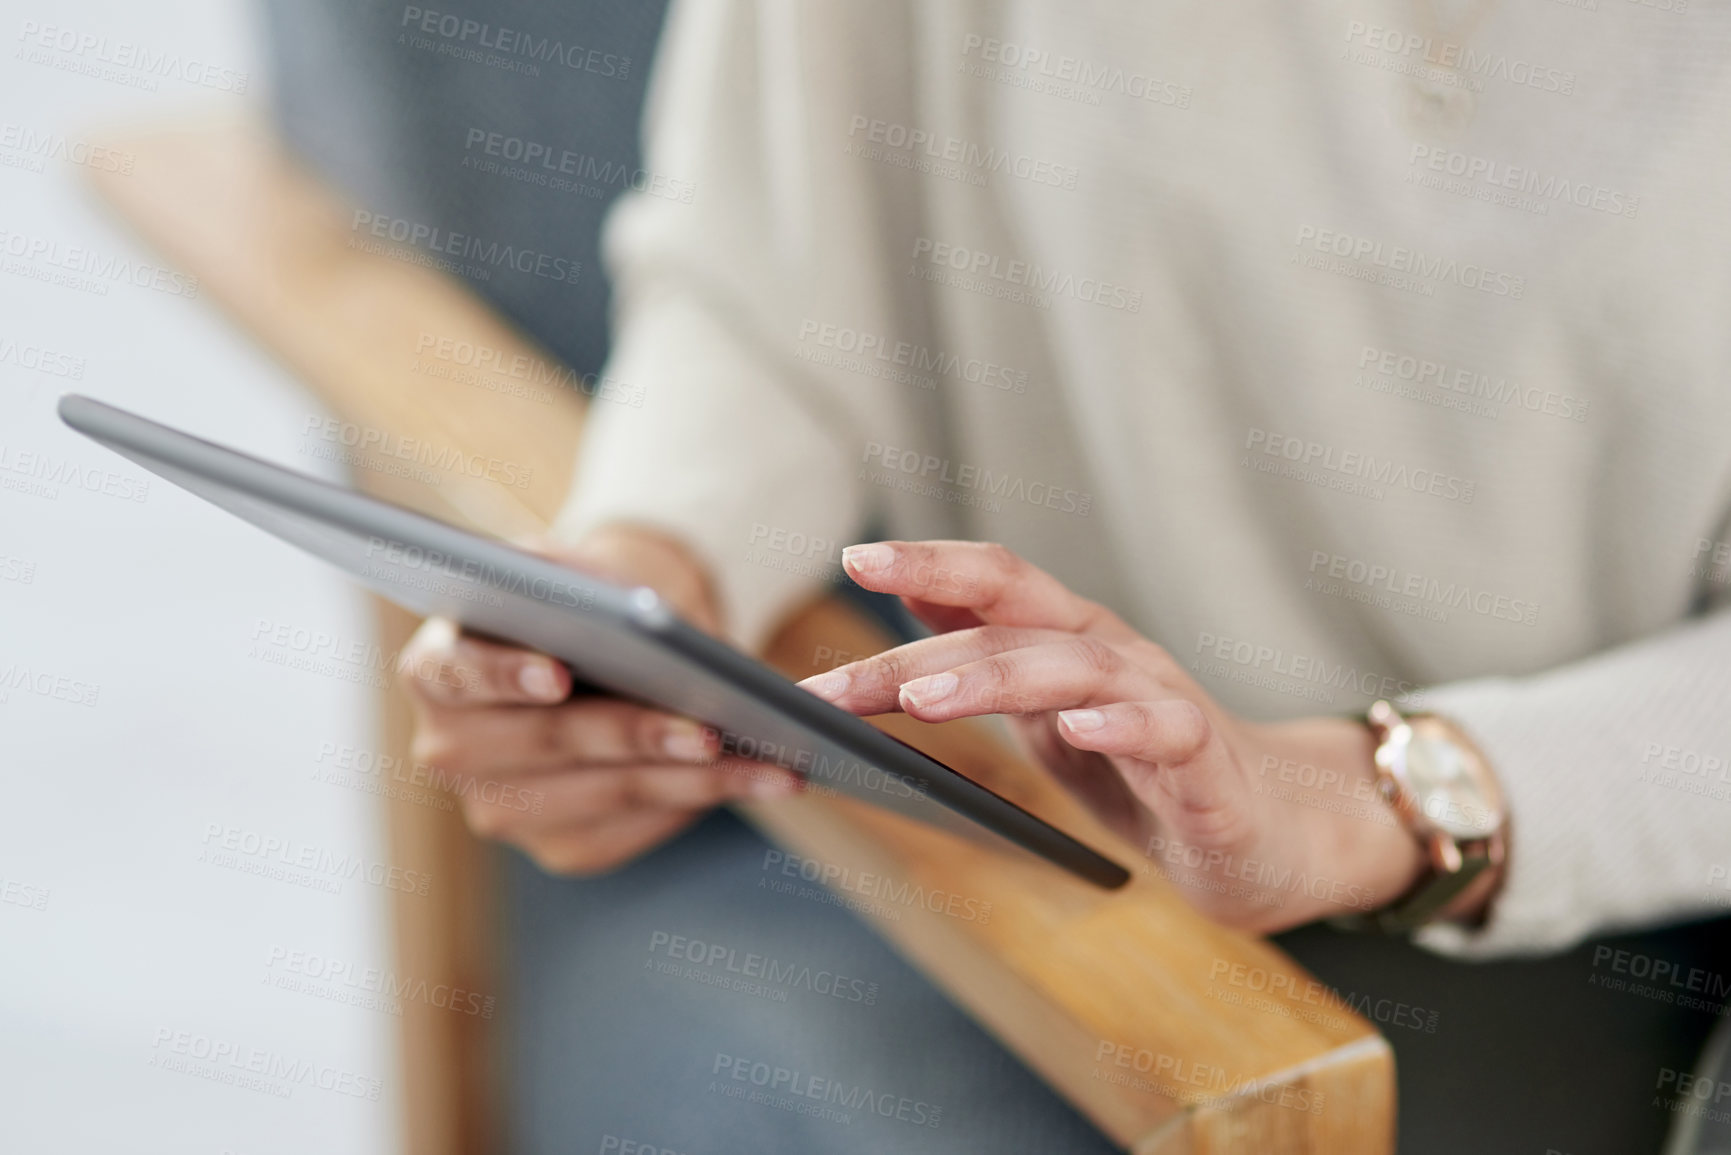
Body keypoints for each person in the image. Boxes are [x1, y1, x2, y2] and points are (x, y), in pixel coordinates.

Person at [398, 0, 1731, 1148]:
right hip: (1076, 835)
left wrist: (1371, 798)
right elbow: (771, 286)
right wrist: (645, 569)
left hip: (1619, 869)